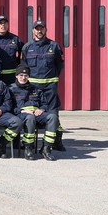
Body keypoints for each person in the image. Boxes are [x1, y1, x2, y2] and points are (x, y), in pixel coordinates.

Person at [20, 19, 65, 151]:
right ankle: (29, 142)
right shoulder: (27, 47)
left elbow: (59, 65)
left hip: (50, 87)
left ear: (45, 29)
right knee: (32, 113)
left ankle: (55, 141)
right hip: (32, 88)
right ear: (33, 30)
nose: (39, 31)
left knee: (52, 113)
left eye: (42, 28)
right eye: (37, 28)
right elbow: (24, 67)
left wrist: (53, 78)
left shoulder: (54, 46)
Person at [9, 63, 58, 161]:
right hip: (20, 115)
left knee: (53, 117)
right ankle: (28, 147)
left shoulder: (35, 89)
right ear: (16, 76)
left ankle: (46, 148)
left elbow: (45, 103)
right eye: (21, 75)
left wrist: (41, 109)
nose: (23, 78)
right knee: (30, 118)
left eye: (26, 75)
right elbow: (9, 107)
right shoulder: (10, 89)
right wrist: (23, 110)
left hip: (37, 114)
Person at [0, 14, 24, 84]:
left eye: (5, 23)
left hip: (11, 76)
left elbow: (22, 55)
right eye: (0, 23)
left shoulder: (15, 39)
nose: (3, 25)